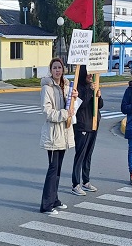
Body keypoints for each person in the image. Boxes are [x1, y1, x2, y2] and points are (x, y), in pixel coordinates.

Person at [39, 57, 78, 215]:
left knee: (59, 168)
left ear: (63, 69)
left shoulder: (67, 85)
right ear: (51, 70)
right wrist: (64, 113)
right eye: (54, 68)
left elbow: (71, 106)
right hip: (54, 133)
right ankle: (46, 205)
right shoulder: (47, 88)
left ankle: (54, 199)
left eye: (59, 68)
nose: (57, 70)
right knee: (53, 168)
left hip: (65, 132)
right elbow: (47, 112)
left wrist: (75, 97)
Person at [71, 65, 103, 196]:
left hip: (93, 124)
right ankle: (75, 184)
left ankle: (86, 180)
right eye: (88, 74)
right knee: (80, 155)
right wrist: (91, 91)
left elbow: (100, 105)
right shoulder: (78, 88)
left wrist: (98, 95)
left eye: (92, 74)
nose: (90, 76)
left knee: (88, 154)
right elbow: (80, 104)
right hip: (82, 125)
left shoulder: (93, 87)